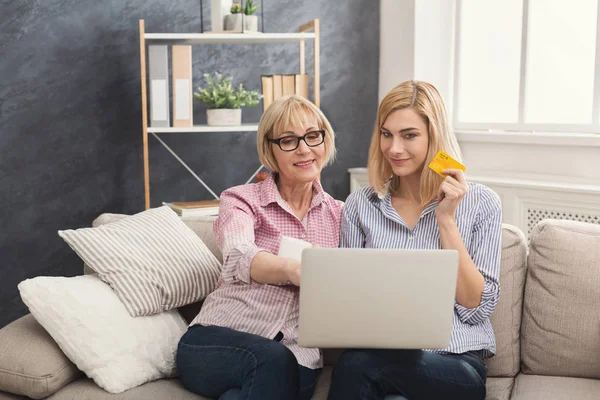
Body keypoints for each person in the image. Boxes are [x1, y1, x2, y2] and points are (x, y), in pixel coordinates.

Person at [327, 80, 502, 400]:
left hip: (456, 363)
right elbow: (348, 303)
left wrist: (446, 220)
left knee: (357, 366)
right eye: (386, 134)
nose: (394, 148)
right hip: (382, 355)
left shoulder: (481, 203)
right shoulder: (360, 206)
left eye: (409, 135)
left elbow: (476, 308)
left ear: (434, 137)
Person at [176, 95, 343, 400]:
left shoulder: (341, 216)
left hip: (298, 356)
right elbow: (239, 253)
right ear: (271, 149)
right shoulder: (241, 200)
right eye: (289, 140)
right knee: (271, 359)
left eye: (312, 136)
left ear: (324, 139)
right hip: (218, 340)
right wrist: (296, 269)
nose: (304, 149)